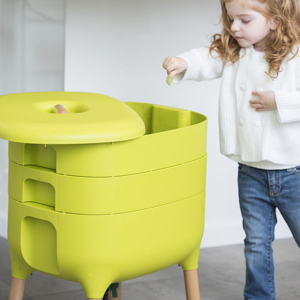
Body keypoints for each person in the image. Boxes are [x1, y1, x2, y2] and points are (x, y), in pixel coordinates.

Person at [162, 0, 300, 299]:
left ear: (275, 21)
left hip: (293, 172)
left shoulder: (295, 55)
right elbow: (206, 59)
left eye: (245, 20)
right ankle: (258, 296)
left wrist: (279, 102)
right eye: (230, 18)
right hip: (250, 171)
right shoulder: (235, 51)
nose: (234, 27)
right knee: (255, 243)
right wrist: (183, 62)